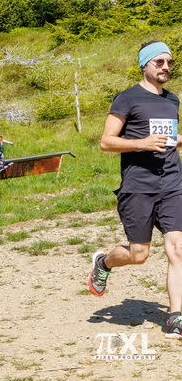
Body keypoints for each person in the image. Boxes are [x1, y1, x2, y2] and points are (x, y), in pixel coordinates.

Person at [89, 41, 182, 339]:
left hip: (173, 183)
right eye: (159, 61)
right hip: (139, 187)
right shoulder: (127, 99)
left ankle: (175, 318)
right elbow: (106, 142)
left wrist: (177, 140)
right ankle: (103, 263)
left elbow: (168, 139)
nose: (166, 67)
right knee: (139, 254)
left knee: (178, 249)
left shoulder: (172, 100)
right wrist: (142, 143)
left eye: (169, 62)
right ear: (144, 65)